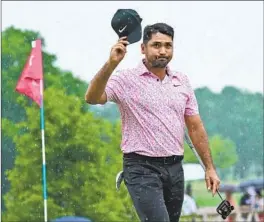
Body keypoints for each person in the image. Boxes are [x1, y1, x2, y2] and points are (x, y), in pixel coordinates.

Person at [85, 22, 220, 222]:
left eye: (168, 45)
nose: (163, 51)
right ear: (143, 48)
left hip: (175, 167)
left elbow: (195, 126)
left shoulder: (181, 81)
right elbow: (92, 97)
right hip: (141, 167)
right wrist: (111, 65)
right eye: (156, 45)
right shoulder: (126, 79)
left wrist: (209, 167)